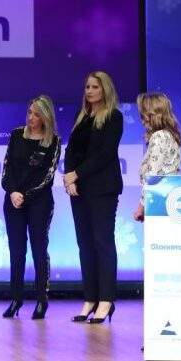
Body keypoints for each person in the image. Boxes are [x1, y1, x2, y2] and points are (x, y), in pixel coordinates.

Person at [63, 71, 123, 325]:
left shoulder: (113, 117)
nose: (89, 91)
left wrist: (76, 174)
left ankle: (106, 299)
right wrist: (69, 179)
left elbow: (105, 154)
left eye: (95, 87)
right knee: (84, 244)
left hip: (103, 189)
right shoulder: (82, 117)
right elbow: (71, 150)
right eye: (87, 87)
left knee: (102, 243)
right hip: (79, 190)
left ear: (105, 90)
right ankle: (90, 298)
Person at [1, 95, 60, 320]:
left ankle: (41, 300)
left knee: (39, 249)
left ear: (46, 117)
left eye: (37, 114)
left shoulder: (53, 141)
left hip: (39, 202)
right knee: (16, 251)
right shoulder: (16, 135)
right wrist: (12, 192)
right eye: (29, 113)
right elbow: (7, 169)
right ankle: (16, 299)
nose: (31, 118)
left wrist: (25, 195)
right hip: (13, 200)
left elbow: (47, 177)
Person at [131, 92, 181, 222]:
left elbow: (152, 177)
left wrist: (141, 207)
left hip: (158, 202)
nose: (142, 119)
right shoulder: (171, 135)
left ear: (153, 115)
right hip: (169, 200)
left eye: (144, 114)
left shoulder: (159, 136)